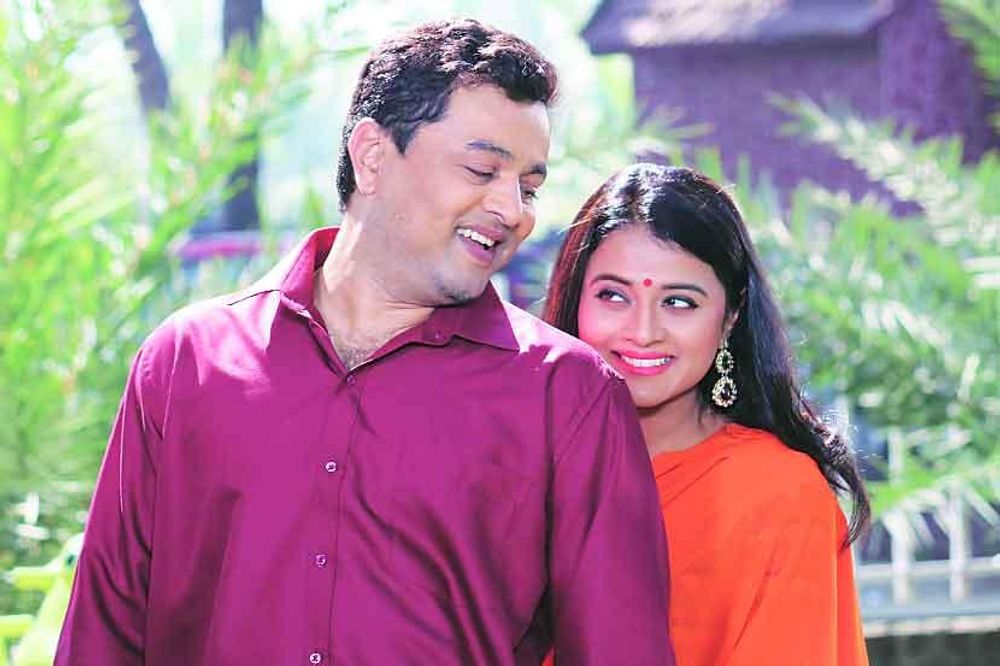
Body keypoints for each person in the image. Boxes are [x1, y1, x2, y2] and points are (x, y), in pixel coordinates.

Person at [56, 21, 675, 665]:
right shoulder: (187, 361)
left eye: (529, 187)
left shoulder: (568, 395)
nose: (513, 210)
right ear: (372, 156)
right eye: (482, 169)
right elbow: (103, 633)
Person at [544, 164, 871, 665]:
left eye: (678, 302)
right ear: (576, 299)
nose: (643, 331)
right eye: (613, 295)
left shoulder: (776, 494)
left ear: (730, 318)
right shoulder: (524, 469)